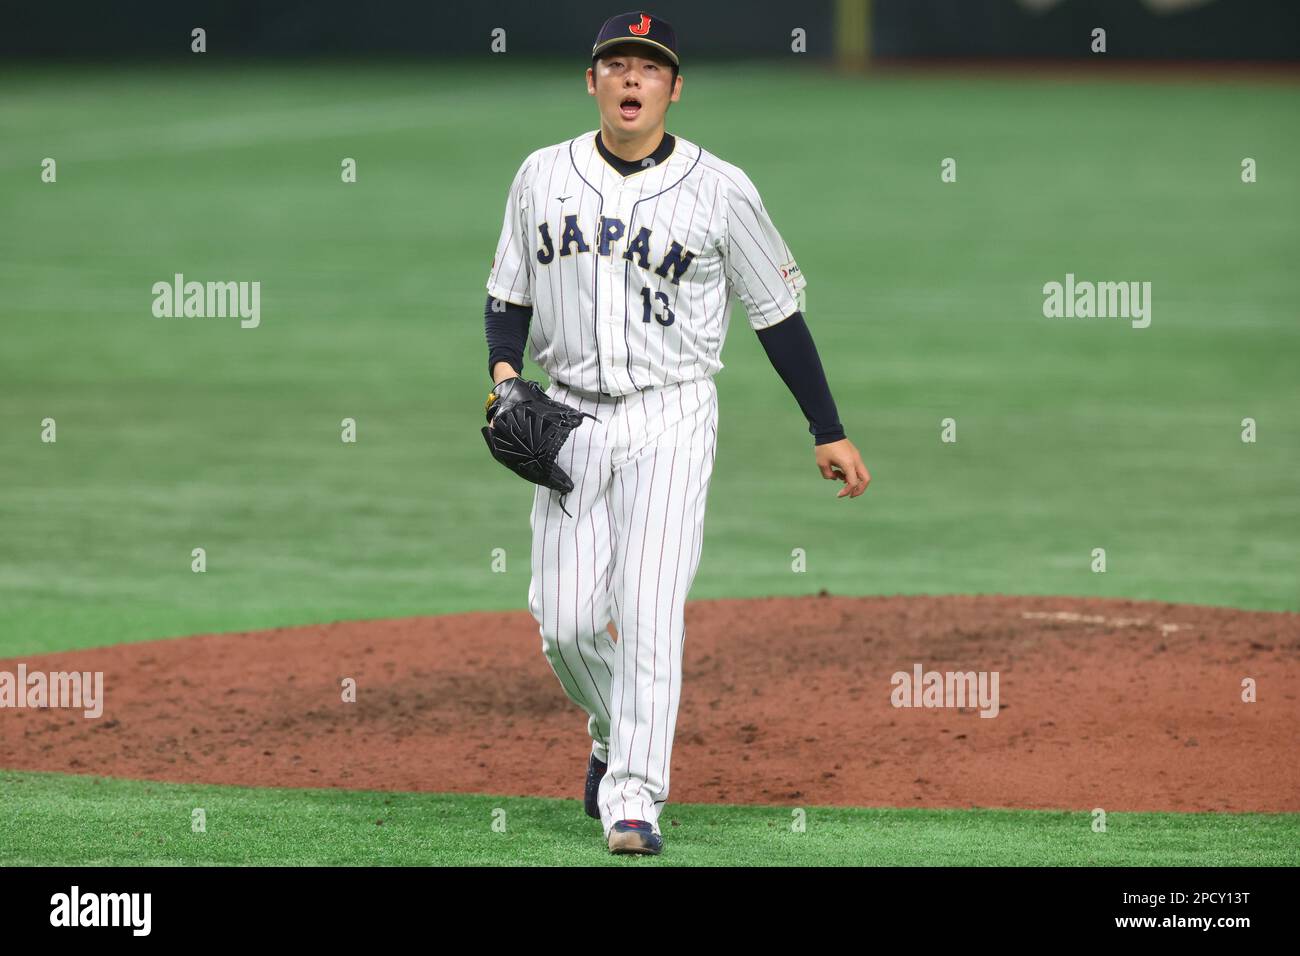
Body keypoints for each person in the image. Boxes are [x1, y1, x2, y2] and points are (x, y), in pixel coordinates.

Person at [483, 11, 870, 855]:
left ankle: (634, 801)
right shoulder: (540, 176)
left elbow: (777, 314)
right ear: (592, 82)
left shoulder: (720, 186)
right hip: (568, 418)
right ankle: (611, 734)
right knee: (566, 621)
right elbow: (508, 294)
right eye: (616, 66)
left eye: (648, 69)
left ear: (673, 88)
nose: (631, 80)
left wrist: (827, 428)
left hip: (673, 412)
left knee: (650, 609)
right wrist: (506, 378)